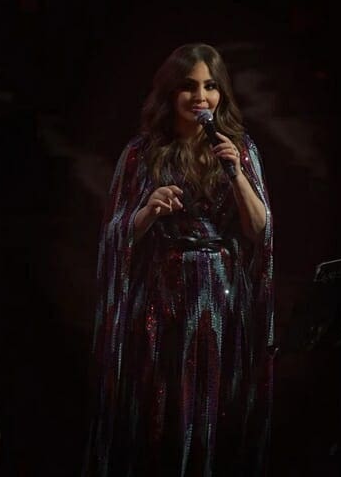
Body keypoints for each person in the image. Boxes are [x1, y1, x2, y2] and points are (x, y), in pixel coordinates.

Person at [82, 42, 274, 477]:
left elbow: (260, 230)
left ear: (221, 93)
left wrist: (237, 175)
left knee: (215, 412)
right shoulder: (142, 152)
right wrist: (148, 210)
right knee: (161, 414)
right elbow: (115, 233)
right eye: (189, 86)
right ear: (170, 92)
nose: (200, 97)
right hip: (160, 302)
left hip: (224, 303)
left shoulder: (240, 149)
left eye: (210, 86)